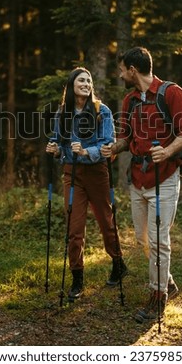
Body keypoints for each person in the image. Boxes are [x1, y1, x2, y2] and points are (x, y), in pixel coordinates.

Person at [101, 47, 182, 322]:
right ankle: (168, 282)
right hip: (138, 179)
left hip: (165, 176)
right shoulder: (129, 100)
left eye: (122, 70)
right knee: (143, 238)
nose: (120, 74)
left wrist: (166, 151)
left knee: (158, 241)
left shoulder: (171, 93)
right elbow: (127, 137)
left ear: (133, 69)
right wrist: (114, 148)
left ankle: (158, 298)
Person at [46, 67, 128, 302]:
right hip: (71, 174)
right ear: (72, 85)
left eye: (89, 80)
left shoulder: (102, 111)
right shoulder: (63, 113)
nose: (86, 83)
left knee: (106, 220)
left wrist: (85, 151)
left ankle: (118, 262)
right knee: (74, 227)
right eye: (81, 80)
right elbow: (59, 144)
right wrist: (54, 150)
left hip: (97, 173)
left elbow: (107, 143)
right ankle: (77, 279)